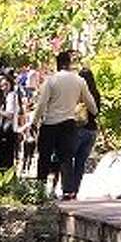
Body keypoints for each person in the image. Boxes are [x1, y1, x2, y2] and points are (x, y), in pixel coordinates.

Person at [31, 49, 96, 195]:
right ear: (70, 63)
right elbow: (90, 103)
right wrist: (94, 112)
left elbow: (42, 104)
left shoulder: (51, 80)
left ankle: (39, 191)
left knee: (45, 157)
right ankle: (68, 191)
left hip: (50, 123)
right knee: (66, 157)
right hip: (68, 123)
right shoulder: (79, 81)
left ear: (57, 64)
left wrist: (34, 122)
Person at [67, 63, 101, 198]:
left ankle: (68, 190)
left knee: (68, 159)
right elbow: (97, 112)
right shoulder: (97, 94)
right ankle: (75, 191)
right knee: (80, 163)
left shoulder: (79, 93)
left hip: (78, 130)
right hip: (92, 131)